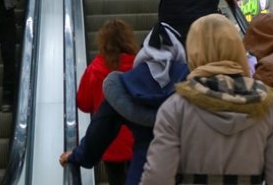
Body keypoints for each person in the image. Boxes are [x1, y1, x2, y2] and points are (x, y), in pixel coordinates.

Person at [140, 14, 273, 185]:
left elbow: (157, 178)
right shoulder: (270, 106)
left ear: (193, 51)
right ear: (237, 47)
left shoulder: (176, 108)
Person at [60, 22, 189, 185]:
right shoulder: (193, 84)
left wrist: (77, 155)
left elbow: (99, 128)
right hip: (183, 169)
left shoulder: (124, 83)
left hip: (140, 168)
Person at [76, 20, 138, 185]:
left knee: (115, 180)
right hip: (138, 137)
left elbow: (83, 103)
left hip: (109, 139)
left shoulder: (94, 70)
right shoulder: (140, 66)